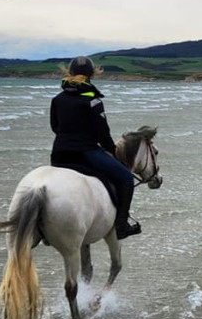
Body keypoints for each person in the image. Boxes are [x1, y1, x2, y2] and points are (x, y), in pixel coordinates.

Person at [50, 56, 141, 239]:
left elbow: (55, 127)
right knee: (126, 178)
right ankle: (122, 226)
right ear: (93, 74)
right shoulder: (93, 101)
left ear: (70, 73)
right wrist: (113, 151)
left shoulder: (58, 99)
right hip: (85, 153)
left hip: (59, 156)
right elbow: (102, 134)